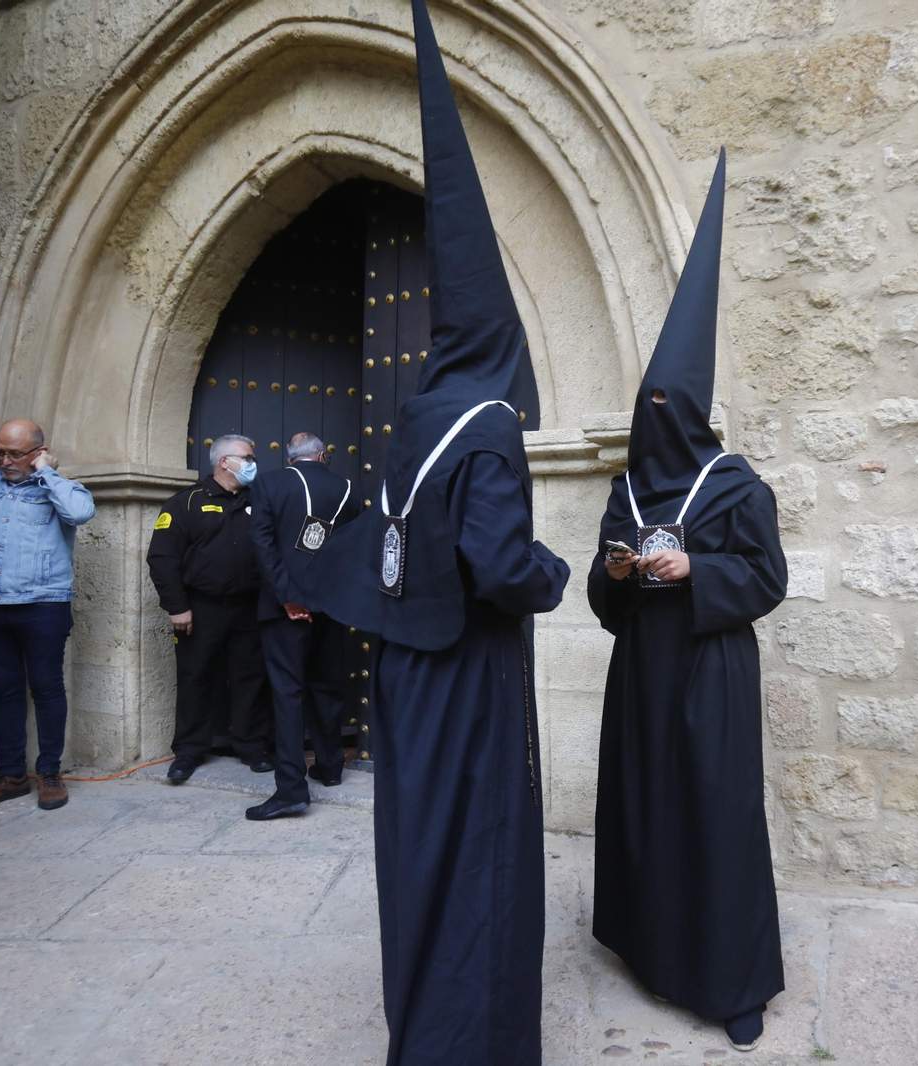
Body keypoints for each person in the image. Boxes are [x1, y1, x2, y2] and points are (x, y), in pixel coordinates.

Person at [311, 3, 568, 1060]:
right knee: (483, 849)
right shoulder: (493, 427)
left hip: (405, 669)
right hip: (467, 668)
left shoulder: (415, 416)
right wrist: (553, 573)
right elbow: (500, 566)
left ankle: (420, 1021)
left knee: (420, 841)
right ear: (503, 344)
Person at [587, 151, 789, 1054]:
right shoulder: (627, 491)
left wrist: (698, 573)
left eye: (667, 402)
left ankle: (730, 983)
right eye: (647, 402)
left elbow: (768, 579)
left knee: (711, 816)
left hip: (709, 672)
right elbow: (600, 588)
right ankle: (649, 949)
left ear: (692, 411)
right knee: (645, 807)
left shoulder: (738, 486)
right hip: (641, 671)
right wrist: (623, 574)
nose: (654, 414)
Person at [0, 419, 95, 814]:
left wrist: (46, 472)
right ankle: (10, 776)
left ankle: (49, 772)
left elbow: (81, 514)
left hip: (43, 606)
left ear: (38, 452)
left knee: (47, 688)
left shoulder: (60, 488)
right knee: (5, 691)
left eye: (16, 453)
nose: (6, 460)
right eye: (0, 451)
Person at [244, 431, 359, 822]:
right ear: (323, 455)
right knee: (326, 686)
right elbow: (351, 550)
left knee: (288, 693)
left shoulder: (270, 482)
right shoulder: (347, 487)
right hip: (331, 606)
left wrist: (288, 596)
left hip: (285, 609)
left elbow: (261, 543)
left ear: (291, 458)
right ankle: (328, 767)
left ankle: (292, 789)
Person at [147, 433, 274, 782]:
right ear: (225, 462)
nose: (252, 464)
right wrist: (177, 606)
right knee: (195, 677)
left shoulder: (260, 500)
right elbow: (162, 559)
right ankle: (190, 750)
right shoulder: (184, 503)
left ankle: (252, 745)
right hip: (200, 610)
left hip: (249, 608)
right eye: (247, 458)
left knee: (251, 678)